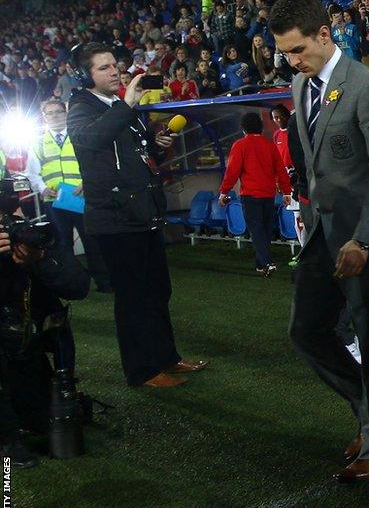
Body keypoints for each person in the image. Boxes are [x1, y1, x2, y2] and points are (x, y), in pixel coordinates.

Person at [270, 0, 369, 483]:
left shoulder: (367, 85)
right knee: (306, 330)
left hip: (365, 240)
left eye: (298, 50)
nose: (292, 60)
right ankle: (368, 415)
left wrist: (364, 240)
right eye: (285, 52)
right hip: (323, 235)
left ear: (325, 35)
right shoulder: (299, 83)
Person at [66, 42, 208, 388]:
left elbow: (136, 152)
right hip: (115, 220)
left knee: (158, 290)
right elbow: (90, 139)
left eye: (114, 65)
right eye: (103, 68)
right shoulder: (81, 107)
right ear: (85, 76)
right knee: (133, 298)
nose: (114, 71)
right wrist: (127, 105)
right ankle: (141, 371)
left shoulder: (116, 106)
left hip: (142, 213)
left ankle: (167, 358)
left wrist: (154, 142)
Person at [0, 178, 91, 468]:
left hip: (22, 349)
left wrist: (38, 259)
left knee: (41, 420)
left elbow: (78, 286)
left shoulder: (30, 239)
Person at [26, 99, 111, 293]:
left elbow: (94, 163)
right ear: (44, 117)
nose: (55, 116)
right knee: (62, 245)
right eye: (50, 113)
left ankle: (104, 283)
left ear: (66, 113)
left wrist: (86, 183)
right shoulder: (38, 142)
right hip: (54, 199)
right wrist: (41, 188)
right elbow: (32, 172)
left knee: (92, 241)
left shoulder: (78, 136)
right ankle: (71, 284)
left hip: (81, 196)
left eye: (58, 112)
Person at [218, 112, 293, 276]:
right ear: (261, 127)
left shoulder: (240, 145)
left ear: (243, 128)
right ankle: (261, 264)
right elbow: (281, 170)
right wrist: (286, 191)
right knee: (265, 229)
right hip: (269, 194)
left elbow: (232, 171)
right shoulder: (270, 145)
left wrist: (224, 191)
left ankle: (266, 262)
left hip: (250, 194)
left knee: (256, 229)